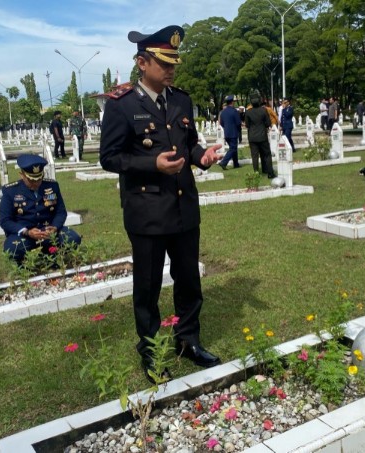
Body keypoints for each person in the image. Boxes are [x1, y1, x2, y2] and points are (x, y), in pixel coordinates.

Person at [99, 25, 223, 378]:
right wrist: (150, 164)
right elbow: (109, 158)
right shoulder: (121, 107)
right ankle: (151, 349)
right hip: (148, 211)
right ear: (142, 62)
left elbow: (190, 143)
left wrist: (202, 156)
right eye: (163, 63)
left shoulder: (181, 100)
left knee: (188, 281)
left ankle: (188, 339)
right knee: (148, 286)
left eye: (174, 63)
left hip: (183, 207)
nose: (171, 70)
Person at [0, 154, 82, 264]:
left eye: (39, 179)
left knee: (73, 238)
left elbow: (60, 212)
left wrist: (55, 227)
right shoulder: (11, 191)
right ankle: (24, 266)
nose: (36, 183)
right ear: (22, 175)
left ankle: (50, 257)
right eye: (32, 180)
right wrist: (27, 232)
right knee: (12, 249)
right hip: (26, 234)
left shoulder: (52, 186)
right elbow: (5, 220)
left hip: (49, 232)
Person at [245, 94, 275, 178]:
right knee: (267, 155)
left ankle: (256, 173)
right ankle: (270, 173)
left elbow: (247, 125)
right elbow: (268, 123)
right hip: (262, 136)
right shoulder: (263, 110)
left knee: (254, 156)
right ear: (259, 101)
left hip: (252, 137)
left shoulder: (248, 112)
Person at [218, 95, 242, 170]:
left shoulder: (223, 112)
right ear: (232, 102)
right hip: (233, 133)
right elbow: (238, 123)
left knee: (233, 148)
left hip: (227, 133)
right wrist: (238, 130)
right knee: (233, 148)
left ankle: (236, 164)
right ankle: (223, 162)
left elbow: (221, 123)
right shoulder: (234, 111)